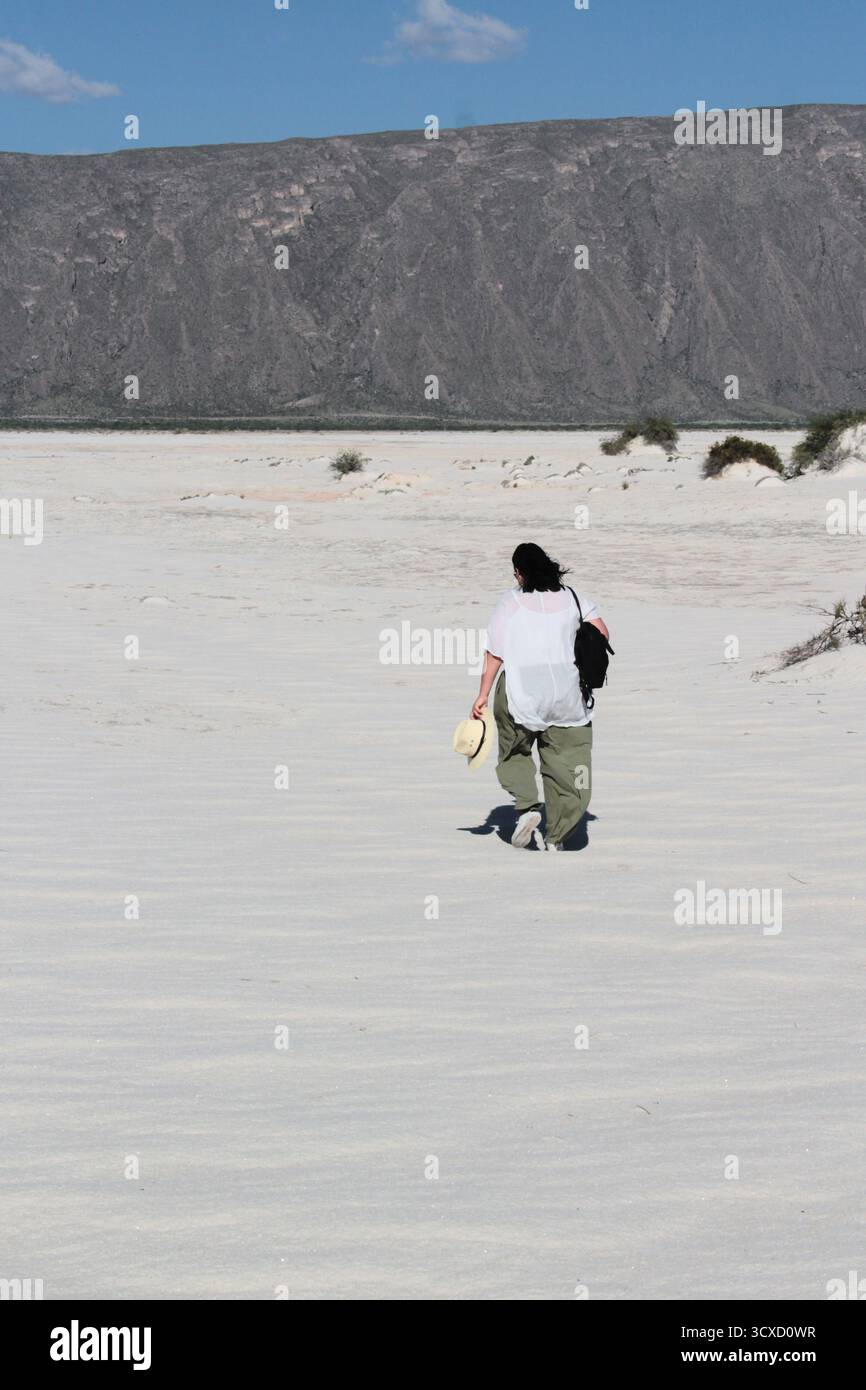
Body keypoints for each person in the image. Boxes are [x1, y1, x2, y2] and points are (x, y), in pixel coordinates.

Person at [471, 543, 610, 851]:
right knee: (569, 765)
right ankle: (557, 835)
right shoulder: (575, 598)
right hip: (567, 694)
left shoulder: (511, 601)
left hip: (520, 693)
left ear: (519, 572)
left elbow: (495, 652)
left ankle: (527, 807)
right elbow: (602, 633)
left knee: (514, 752)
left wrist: (481, 695)